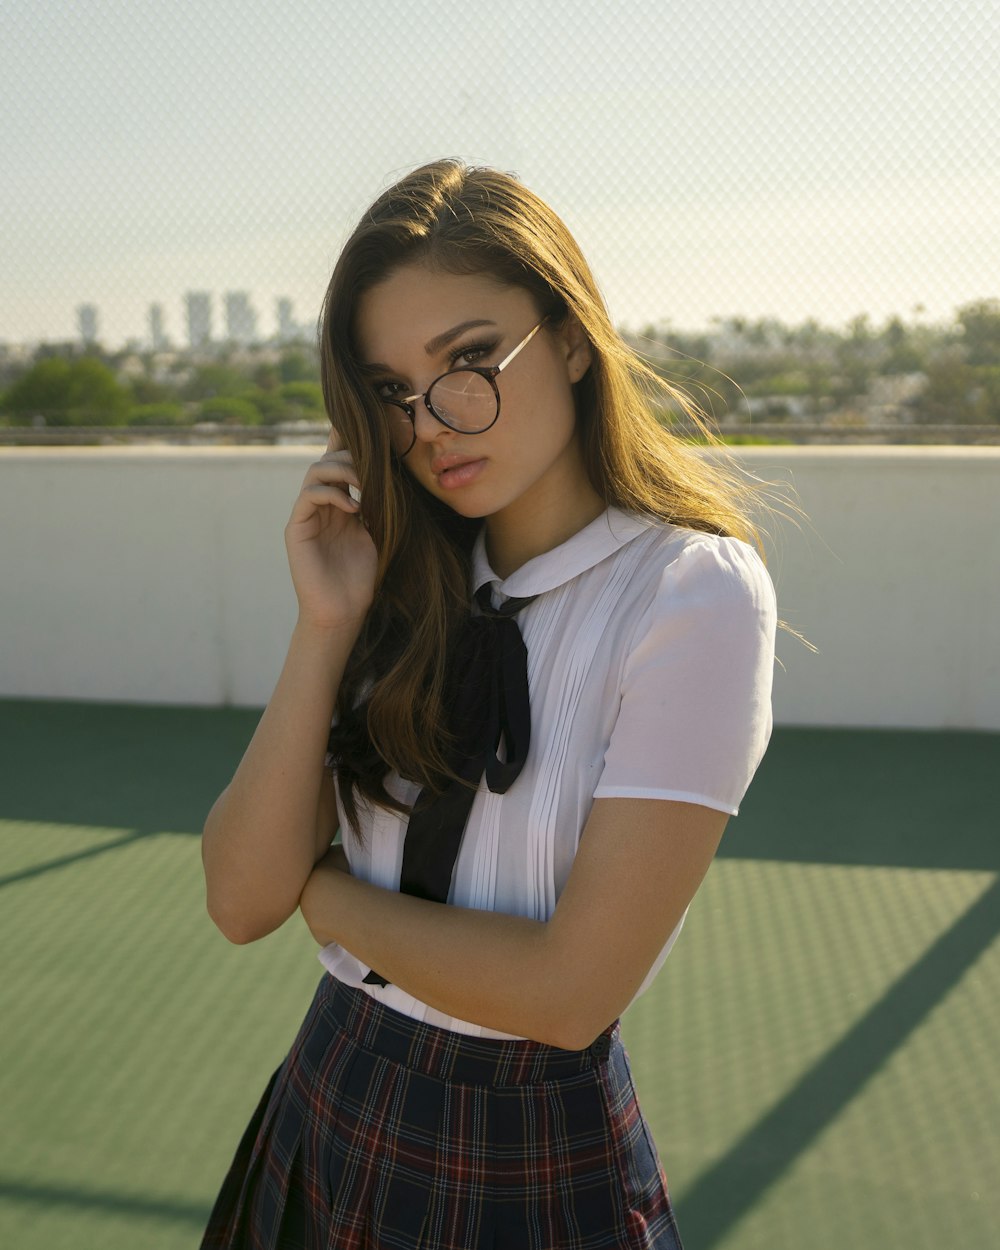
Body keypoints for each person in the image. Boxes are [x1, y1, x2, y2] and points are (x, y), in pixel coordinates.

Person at [199, 158, 777, 1250]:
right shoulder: (395, 570)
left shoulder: (689, 592)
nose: (432, 422)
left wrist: (331, 904)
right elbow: (237, 897)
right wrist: (325, 624)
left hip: (518, 1141)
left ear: (566, 335)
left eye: (470, 361)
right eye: (388, 389)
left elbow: (567, 993)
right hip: (326, 1090)